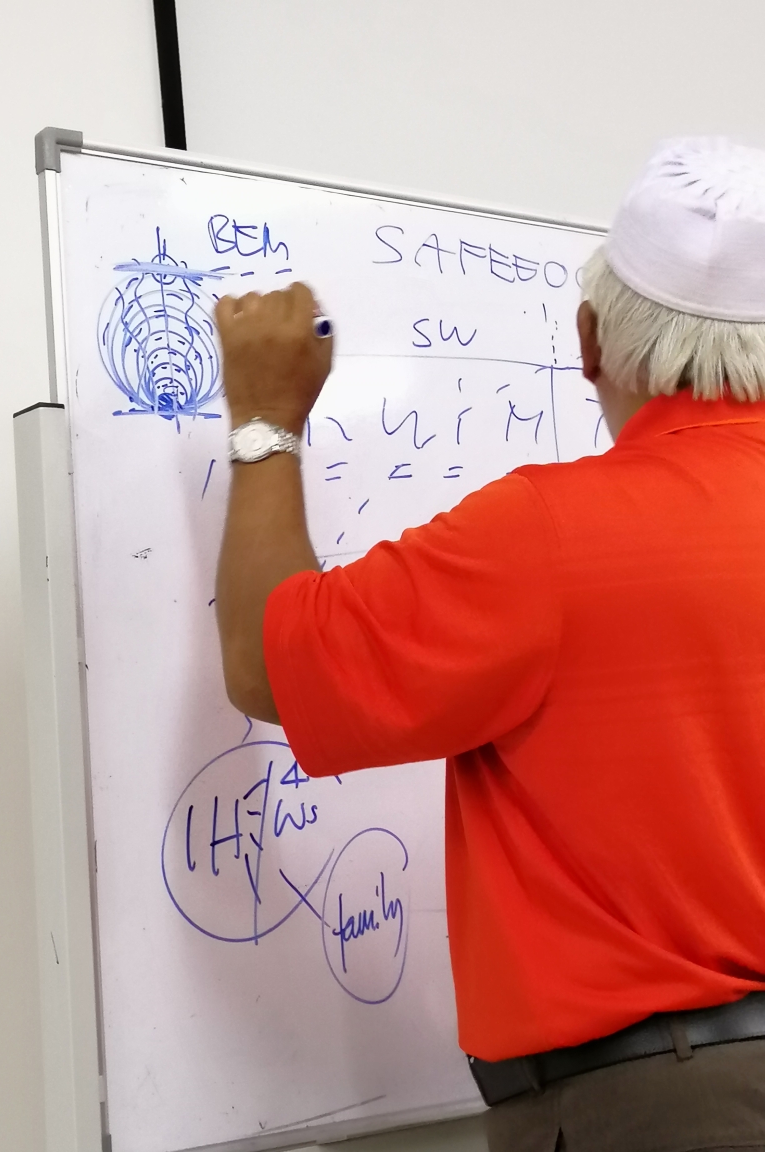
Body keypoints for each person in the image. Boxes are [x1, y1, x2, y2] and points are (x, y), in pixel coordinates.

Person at [213, 138, 765, 1152]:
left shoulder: (551, 536)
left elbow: (263, 664)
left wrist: (264, 424)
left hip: (663, 1110)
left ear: (590, 338)